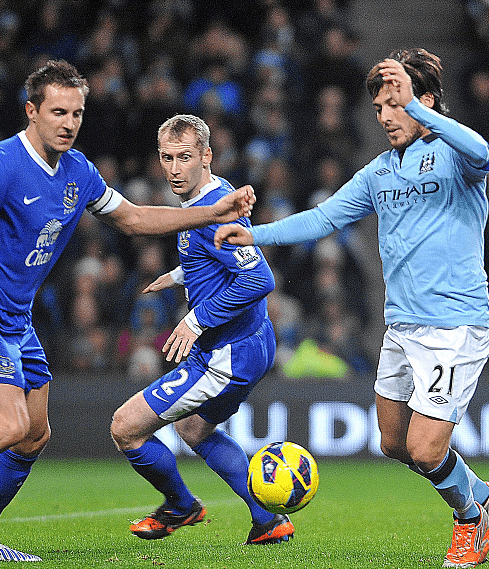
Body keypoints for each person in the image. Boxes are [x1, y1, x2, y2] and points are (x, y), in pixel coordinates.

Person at [0, 60, 253, 561]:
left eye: (78, 113)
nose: (69, 123)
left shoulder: (79, 172)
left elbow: (131, 218)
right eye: (59, 112)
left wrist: (213, 211)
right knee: (8, 427)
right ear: (32, 111)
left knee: (33, 434)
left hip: (16, 320)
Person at [214, 48, 489, 569]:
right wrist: (254, 234)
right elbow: (323, 218)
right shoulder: (379, 172)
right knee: (394, 442)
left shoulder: (454, 155)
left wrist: (417, 108)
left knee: (425, 449)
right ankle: (482, 495)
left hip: (456, 325)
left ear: (426, 102)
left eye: (394, 104)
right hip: (402, 326)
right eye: (379, 108)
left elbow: (484, 150)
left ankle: (471, 517)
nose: (386, 116)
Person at [108, 114, 290, 546]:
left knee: (125, 428)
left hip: (227, 352)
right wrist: (177, 276)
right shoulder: (211, 198)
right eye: (167, 158)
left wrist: (195, 319)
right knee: (192, 430)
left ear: (206, 156)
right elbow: (213, 260)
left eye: (184, 157)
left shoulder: (212, 212)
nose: (174, 169)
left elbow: (259, 279)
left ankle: (180, 505)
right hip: (250, 341)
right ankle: (268, 520)